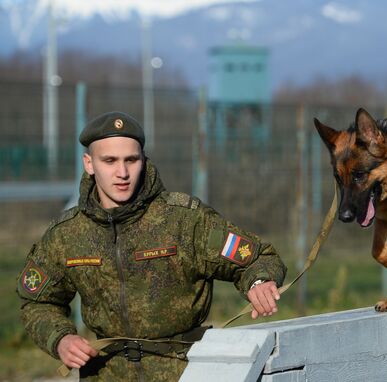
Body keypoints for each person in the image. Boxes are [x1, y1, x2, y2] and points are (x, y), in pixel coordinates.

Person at [16, 111, 287, 381]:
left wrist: (259, 282)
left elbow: (258, 257)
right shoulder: (67, 234)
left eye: (131, 160)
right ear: (89, 163)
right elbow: (38, 302)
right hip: (106, 374)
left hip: (185, 371)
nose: (122, 173)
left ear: (143, 161)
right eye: (109, 161)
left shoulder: (183, 221)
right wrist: (60, 339)